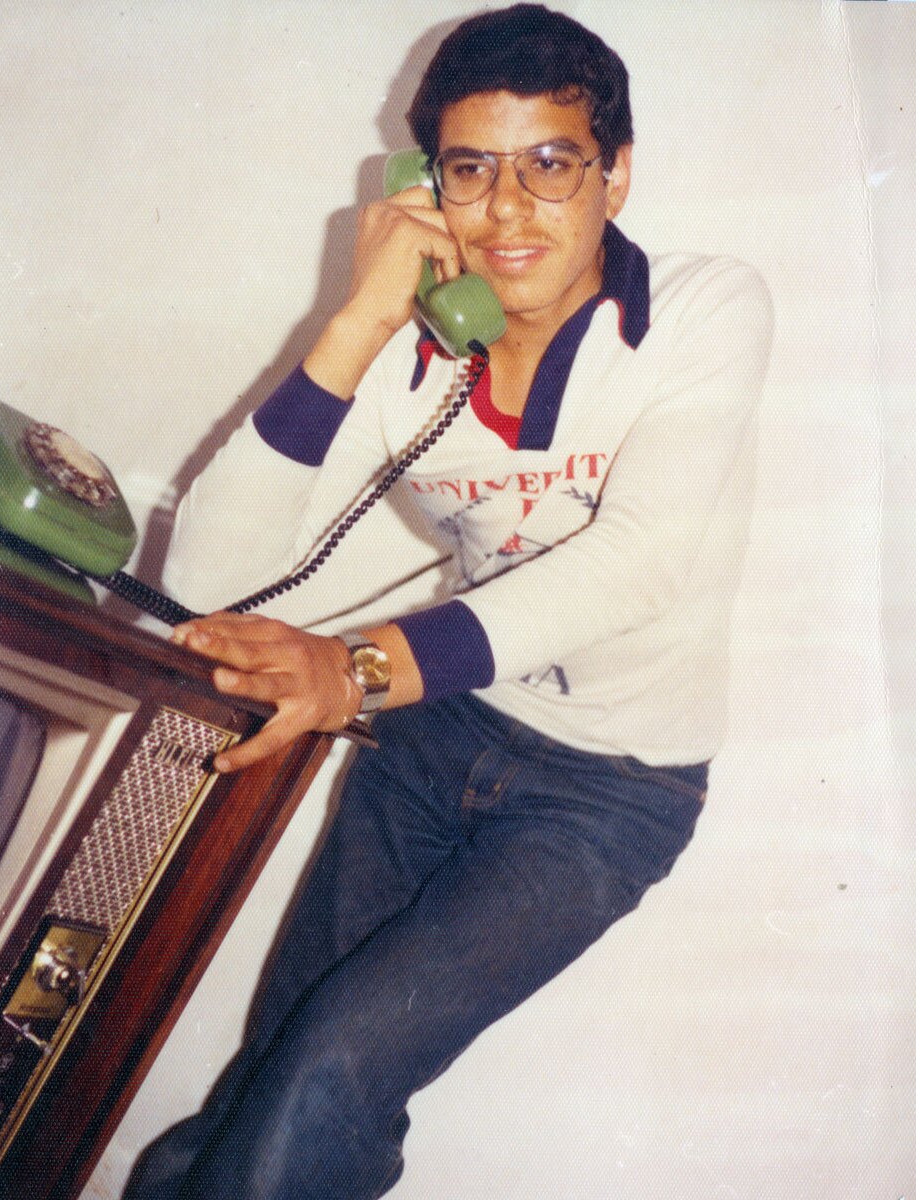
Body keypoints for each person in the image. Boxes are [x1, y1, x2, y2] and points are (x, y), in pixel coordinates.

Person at [125, 5, 773, 1197]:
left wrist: (354, 668)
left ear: (615, 175)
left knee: (332, 1066)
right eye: (471, 170)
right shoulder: (413, 356)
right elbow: (203, 589)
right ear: (426, 184)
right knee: (271, 1067)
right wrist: (359, 319)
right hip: (434, 740)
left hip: (605, 792)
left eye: (550, 164)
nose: (508, 210)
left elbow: (635, 563)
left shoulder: (701, 309)